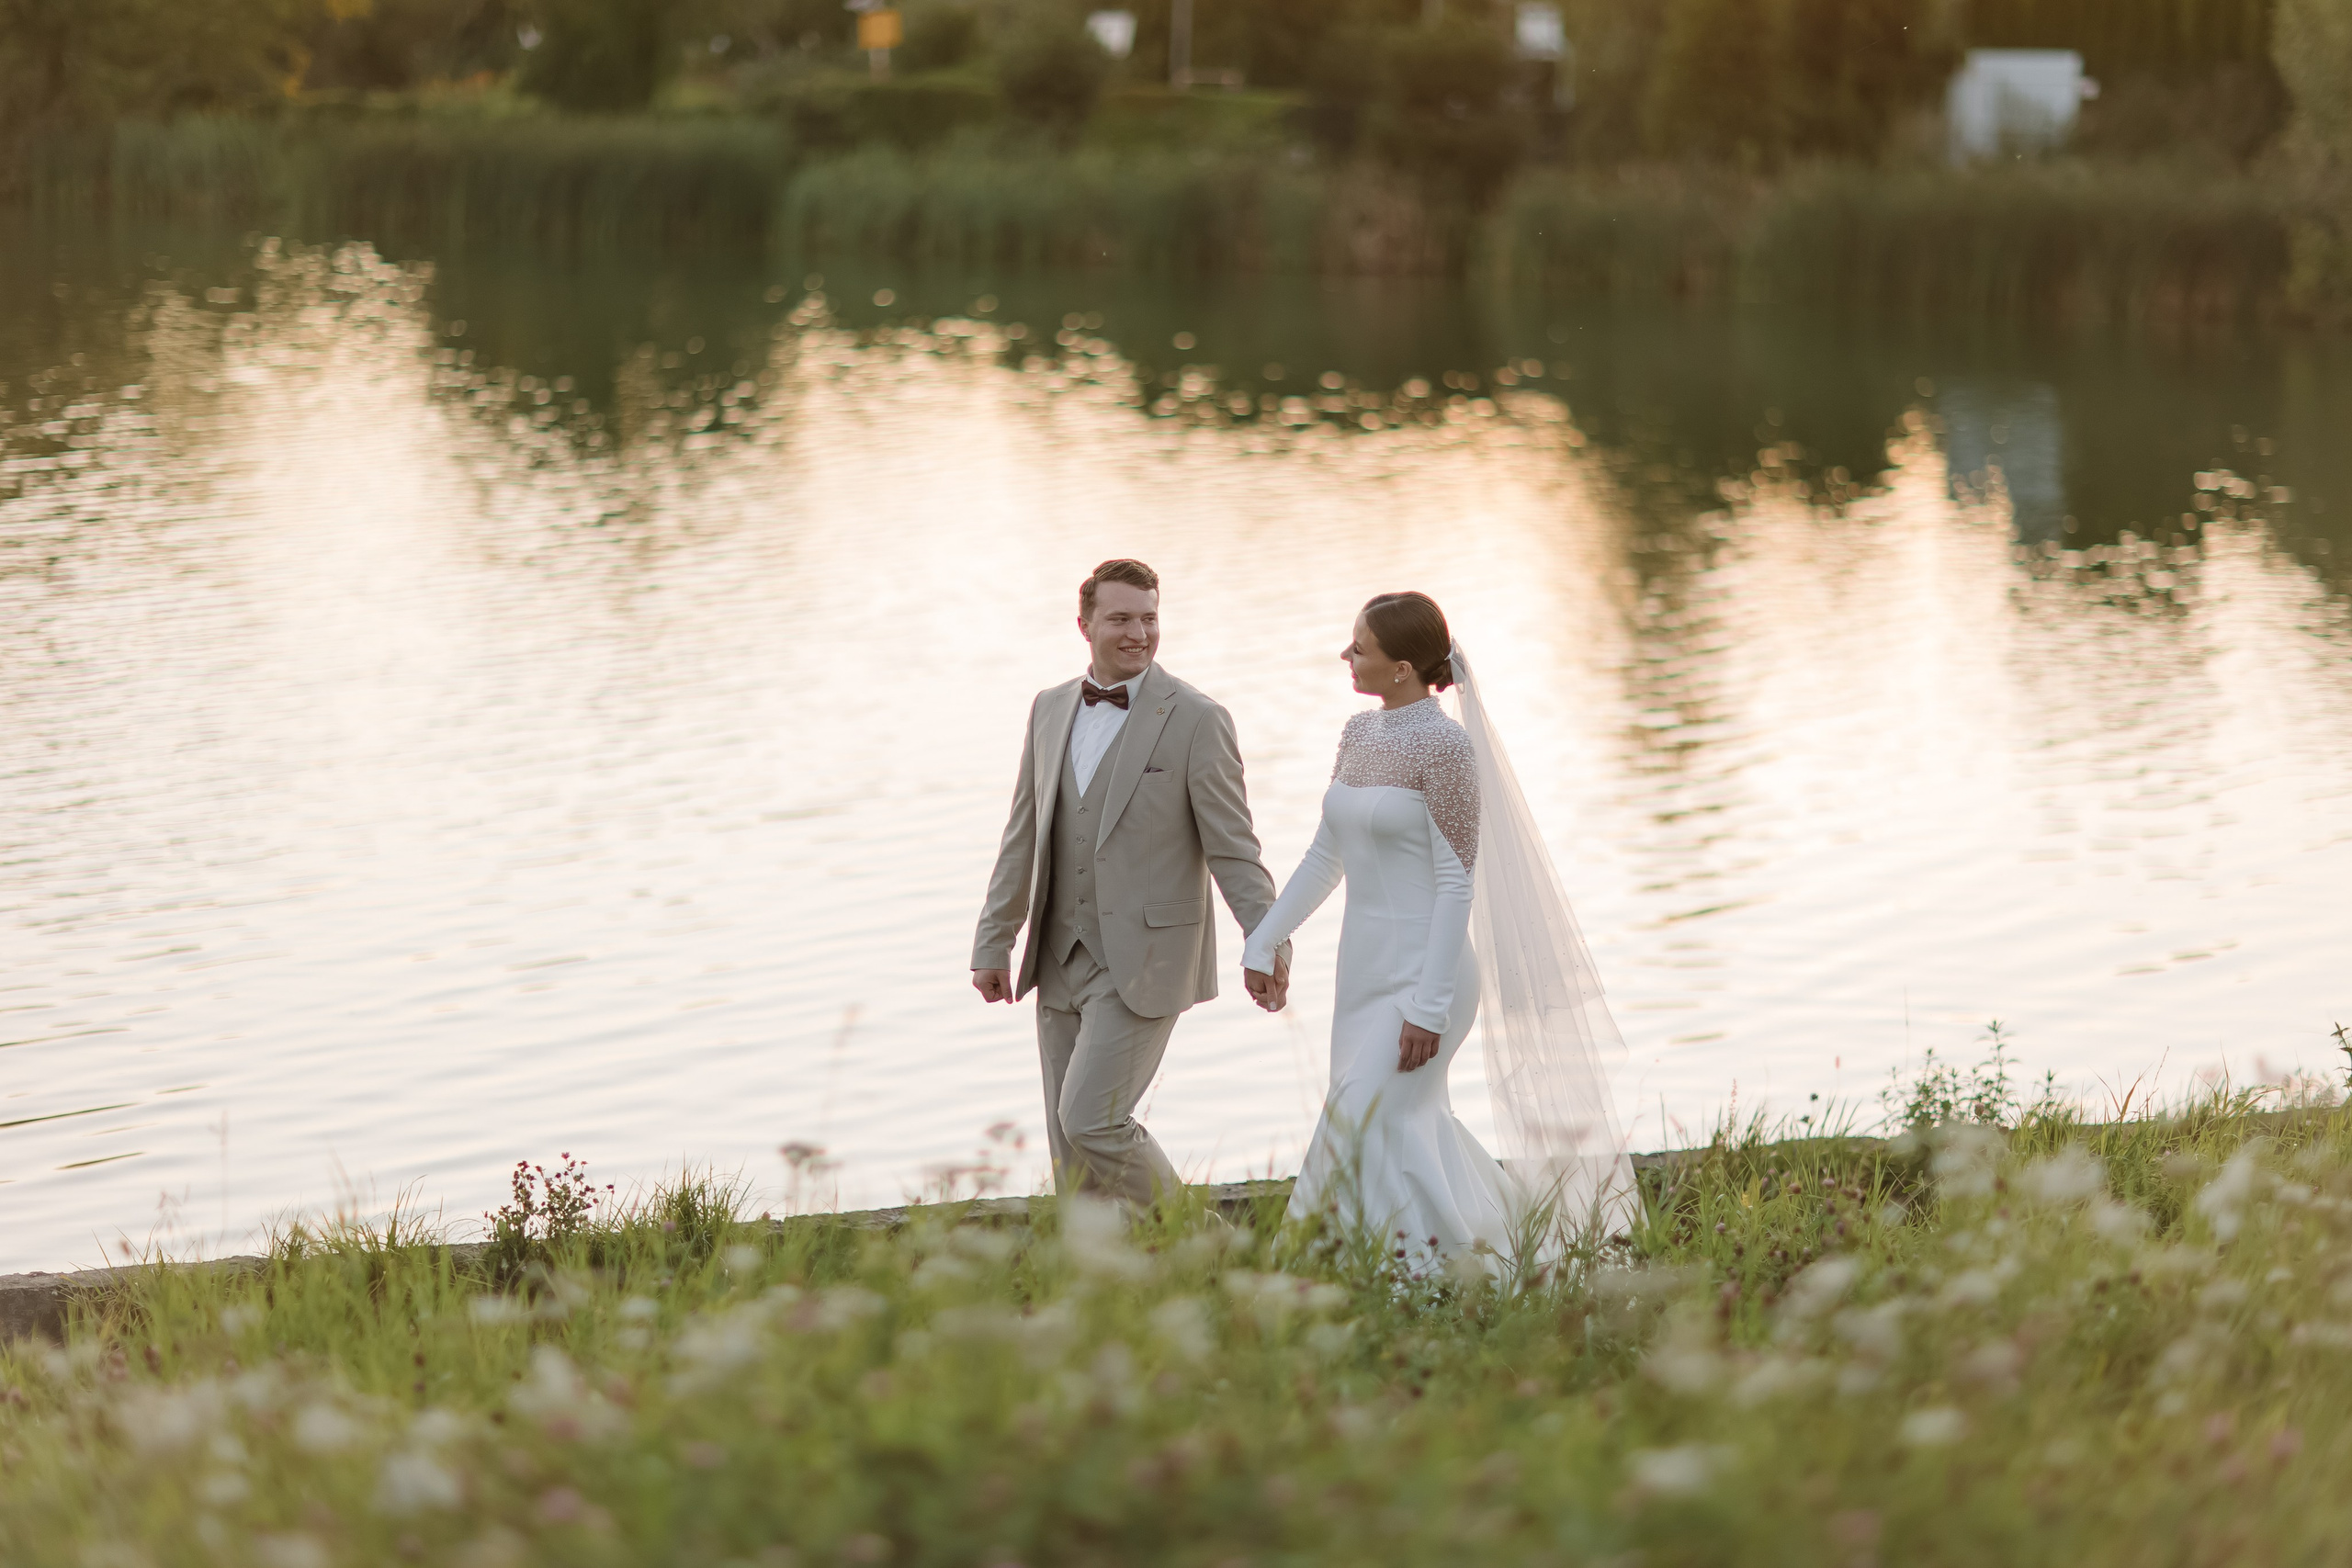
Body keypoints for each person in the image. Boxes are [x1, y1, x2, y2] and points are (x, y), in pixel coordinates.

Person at [1241, 592, 1634, 1275]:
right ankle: (1470, 1256)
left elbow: (1458, 882)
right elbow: (1323, 856)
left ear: (1401, 667)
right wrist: (1264, 937)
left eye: (1358, 646)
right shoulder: (1356, 734)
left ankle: (1379, 1277)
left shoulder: (1449, 747)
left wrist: (1429, 1003)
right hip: (1360, 975)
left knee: (1360, 1120)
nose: (1346, 655)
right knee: (1400, 1126)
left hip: (1430, 974)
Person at [971, 558, 1290, 1204]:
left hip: (1146, 960)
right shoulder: (1050, 707)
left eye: (1149, 618)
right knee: (1074, 1161)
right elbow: (1022, 834)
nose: (1138, 633)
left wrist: (1269, 941)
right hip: (1059, 956)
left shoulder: (1198, 719)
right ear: (1085, 623)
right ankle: (1107, 1289)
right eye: (1121, 618)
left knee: (1091, 1118)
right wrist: (993, 940)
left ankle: (1211, 1254)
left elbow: (1235, 850)